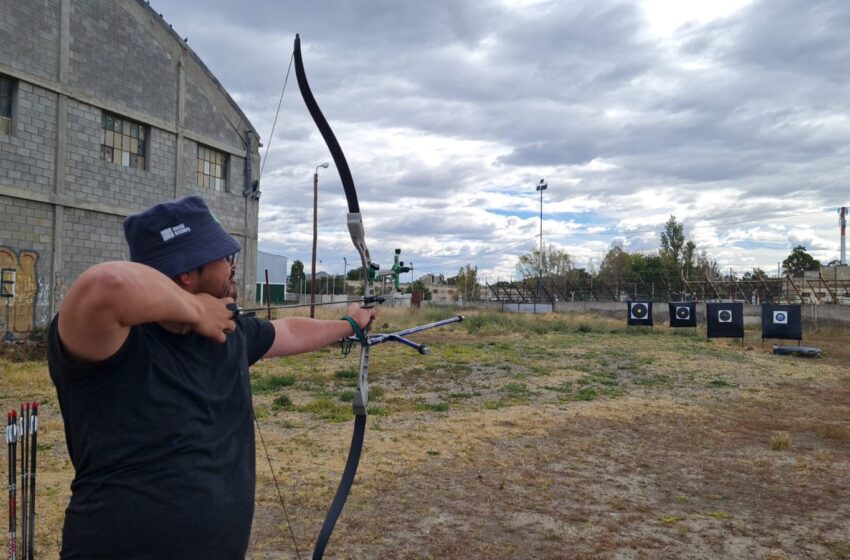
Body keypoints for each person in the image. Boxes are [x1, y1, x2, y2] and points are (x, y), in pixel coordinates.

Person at [47, 195, 376, 559]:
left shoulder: (229, 330)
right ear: (187, 274)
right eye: (225, 259)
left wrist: (349, 324)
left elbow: (291, 331)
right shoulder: (111, 341)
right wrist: (193, 309)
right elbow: (105, 284)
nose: (233, 267)